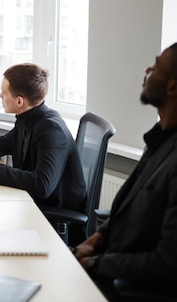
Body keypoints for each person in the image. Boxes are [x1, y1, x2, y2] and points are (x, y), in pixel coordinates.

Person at [73, 43, 177, 300]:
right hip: (107, 266)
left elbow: (167, 264)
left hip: (126, 288)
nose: (147, 70)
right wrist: (96, 238)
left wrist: (94, 264)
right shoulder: (159, 140)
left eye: (155, 66)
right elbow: (128, 211)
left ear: (172, 87)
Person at [0, 63, 86, 212]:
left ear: (19, 101)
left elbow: (42, 185)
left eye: (4, 93)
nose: (0, 96)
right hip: (32, 200)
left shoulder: (52, 130)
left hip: (53, 210)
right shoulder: (27, 117)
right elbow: (5, 142)